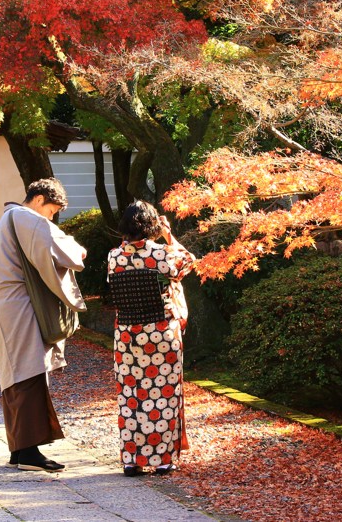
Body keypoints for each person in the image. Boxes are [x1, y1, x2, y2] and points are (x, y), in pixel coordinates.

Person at [0, 177, 87, 472]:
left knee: (15, 372)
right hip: (17, 303)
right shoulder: (26, 217)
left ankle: (20, 448)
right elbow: (66, 252)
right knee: (28, 369)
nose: (52, 217)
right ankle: (28, 452)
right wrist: (80, 251)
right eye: (52, 210)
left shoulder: (10, 217)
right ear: (39, 199)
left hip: (6, 301)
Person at [108, 200, 195, 477]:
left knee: (131, 395)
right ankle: (163, 460)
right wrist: (168, 235)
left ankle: (132, 460)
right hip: (161, 333)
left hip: (128, 335)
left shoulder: (113, 257)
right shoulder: (161, 254)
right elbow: (188, 262)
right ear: (152, 226)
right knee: (164, 393)